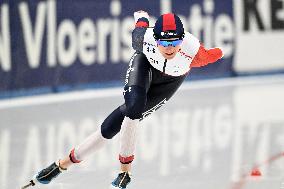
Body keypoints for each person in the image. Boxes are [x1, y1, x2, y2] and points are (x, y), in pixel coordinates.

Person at [22, 11, 223, 189]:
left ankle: (73, 166)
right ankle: (112, 171)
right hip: (144, 64)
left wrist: (220, 51)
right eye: (164, 43)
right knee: (134, 106)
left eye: (174, 43)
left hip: (169, 83)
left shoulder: (195, 52)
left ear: (182, 41)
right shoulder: (142, 39)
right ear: (155, 39)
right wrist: (142, 17)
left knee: (116, 123)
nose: (169, 49)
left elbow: (216, 54)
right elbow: (140, 22)